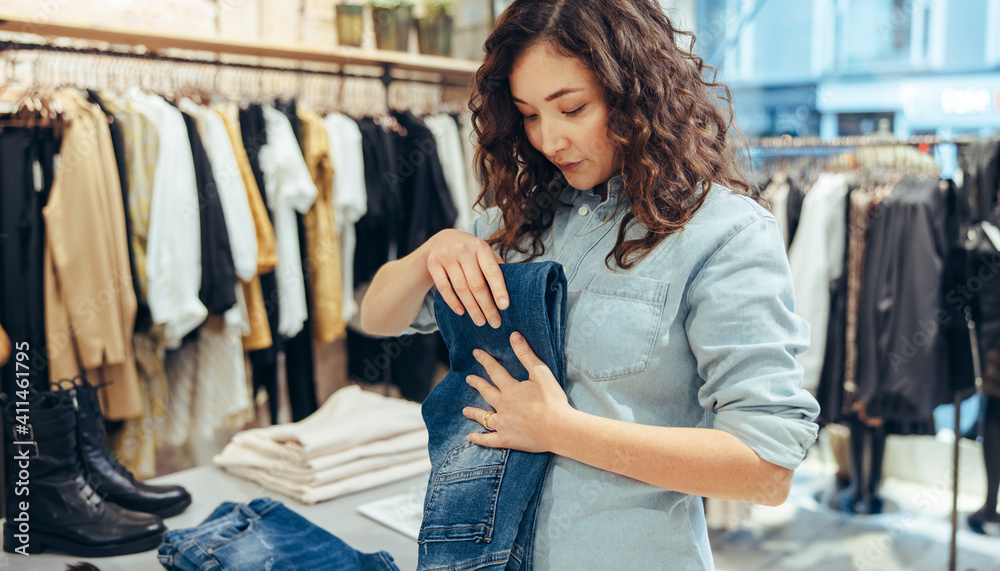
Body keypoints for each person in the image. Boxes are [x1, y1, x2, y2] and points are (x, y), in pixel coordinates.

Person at [361, 0, 821, 568]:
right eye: (529, 115)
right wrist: (432, 251)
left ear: (636, 94)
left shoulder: (722, 235)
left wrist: (560, 430)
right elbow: (376, 317)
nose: (548, 140)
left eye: (571, 108)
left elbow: (766, 468)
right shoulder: (519, 219)